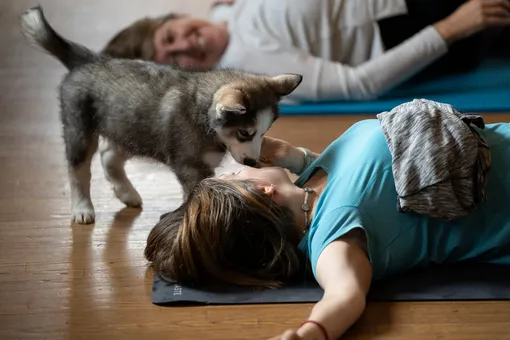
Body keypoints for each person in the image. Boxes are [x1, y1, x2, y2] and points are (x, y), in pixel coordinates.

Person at [144, 100, 510, 340]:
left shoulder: (311, 183)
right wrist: (308, 334)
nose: (238, 169)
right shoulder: (332, 239)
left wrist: (295, 156)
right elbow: (345, 296)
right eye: (234, 177)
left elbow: (377, 177)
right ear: (262, 192)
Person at [102, 0, 510, 102]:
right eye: (175, 59)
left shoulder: (230, 11)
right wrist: (450, 29)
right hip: (415, 22)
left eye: (171, 35)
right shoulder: (251, 72)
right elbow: (357, 85)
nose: (187, 43)